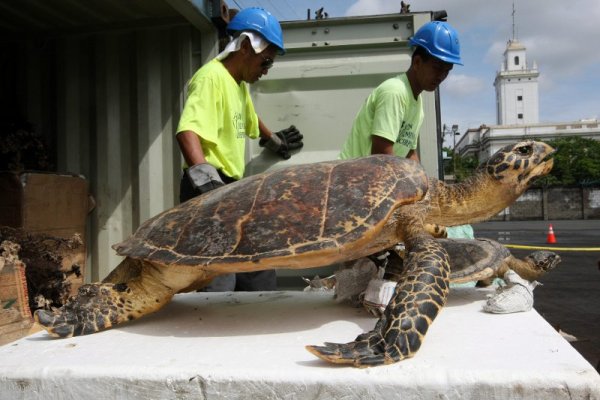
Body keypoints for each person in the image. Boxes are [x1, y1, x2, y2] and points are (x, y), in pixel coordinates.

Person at [175, 7, 303, 292]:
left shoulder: (239, 84)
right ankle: (213, 333)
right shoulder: (211, 78)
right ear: (246, 46)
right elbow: (187, 131)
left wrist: (273, 140)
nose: (266, 71)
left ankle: (255, 328)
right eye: (265, 62)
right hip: (207, 187)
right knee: (220, 279)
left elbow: (250, 119)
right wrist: (208, 190)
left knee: (258, 268)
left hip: (232, 189)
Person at [339, 20, 462, 161]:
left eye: (447, 71)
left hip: (372, 177)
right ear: (417, 62)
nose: (441, 76)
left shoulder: (417, 103)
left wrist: (422, 179)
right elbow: (381, 156)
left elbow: (409, 153)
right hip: (352, 178)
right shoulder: (395, 92)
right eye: (437, 67)